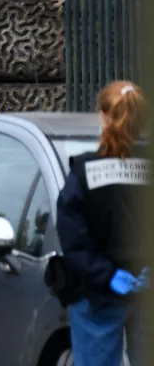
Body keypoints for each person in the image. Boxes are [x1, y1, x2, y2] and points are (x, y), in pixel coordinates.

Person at [55, 80, 149, 366]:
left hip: (98, 294)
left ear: (104, 117)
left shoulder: (84, 173)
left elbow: (73, 239)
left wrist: (107, 275)